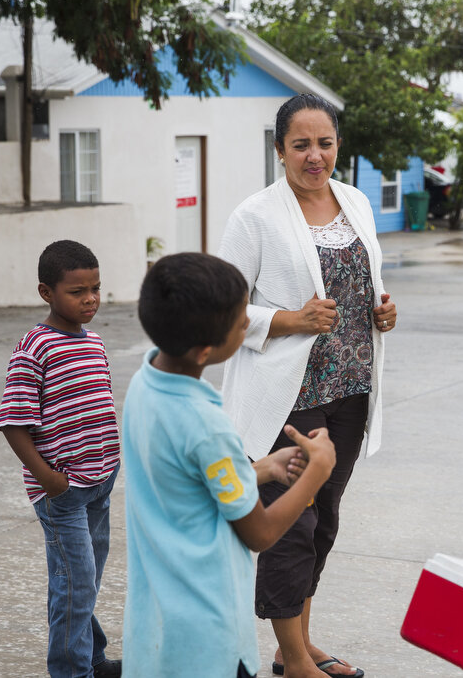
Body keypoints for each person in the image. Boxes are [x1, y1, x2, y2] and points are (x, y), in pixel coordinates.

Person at [217, 93, 398, 678]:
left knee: (325, 519)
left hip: (349, 388)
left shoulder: (357, 203)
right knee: (291, 525)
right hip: (289, 401)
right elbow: (224, 310)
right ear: (279, 151)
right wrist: (290, 320)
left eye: (324, 143)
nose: (314, 156)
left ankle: (300, 640)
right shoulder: (255, 216)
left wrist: (381, 312)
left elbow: (362, 286)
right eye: (301, 145)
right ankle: (294, 660)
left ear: (337, 146)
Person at [120, 252, 336, 678]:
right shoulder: (207, 425)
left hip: (154, 624)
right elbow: (259, 532)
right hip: (207, 634)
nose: (247, 327)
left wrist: (263, 470)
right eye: (242, 323)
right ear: (205, 350)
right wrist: (317, 471)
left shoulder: (145, 384)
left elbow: (185, 483)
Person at [0, 240, 122, 678]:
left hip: (99, 484)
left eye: (96, 288)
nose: (90, 299)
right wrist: (50, 480)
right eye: (77, 291)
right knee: (75, 585)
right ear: (46, 292)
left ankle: (92, 657)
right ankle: (71, 671)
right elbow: (13, 422)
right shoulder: (36, 347)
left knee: (82, 584)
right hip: (63, 492)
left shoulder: (95, 341)